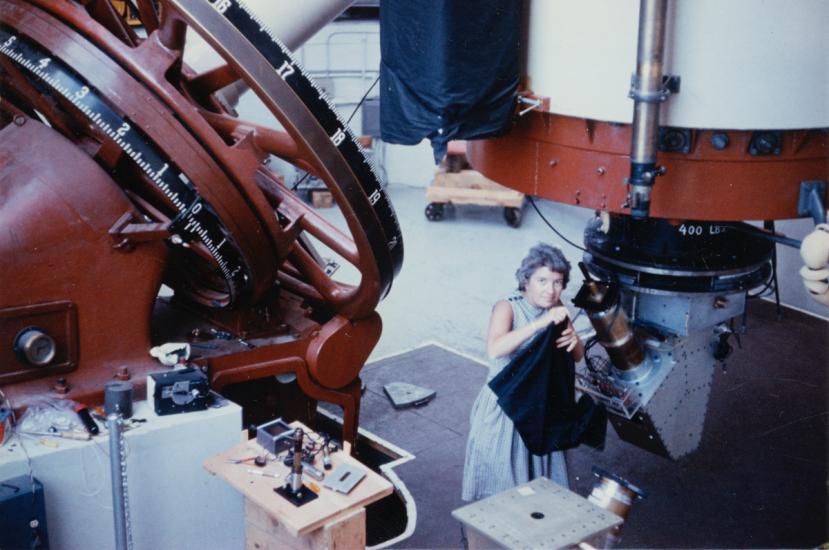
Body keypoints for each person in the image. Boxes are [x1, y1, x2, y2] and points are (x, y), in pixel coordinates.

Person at [461, 243, 583, 501]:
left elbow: (578, 355)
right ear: (526, 280)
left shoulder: (556, 307)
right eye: (542, 281)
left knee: (541, 490)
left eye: (558, 282)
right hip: (506, 411)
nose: (550, 290)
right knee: (502, 489)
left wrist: (575, 340)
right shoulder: (507, 307)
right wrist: (541, 324)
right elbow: (496, 349)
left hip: (540, 410)